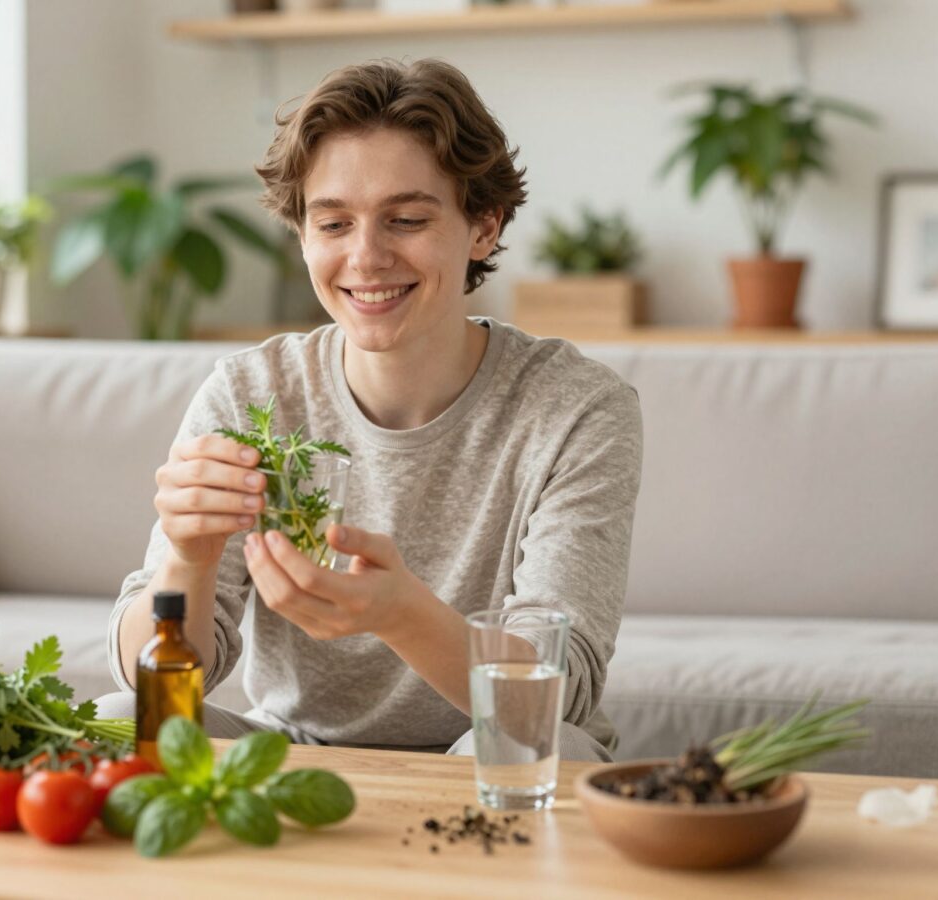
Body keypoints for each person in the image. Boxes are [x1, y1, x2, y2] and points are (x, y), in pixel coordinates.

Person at [96, 58, 642, 761]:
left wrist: (399, 614)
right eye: (333, 224)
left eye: (407, 219)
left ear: (482, 227)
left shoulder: (574, 408)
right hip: (294, 749)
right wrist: (188, 562)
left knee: (537, 749)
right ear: (302, 236)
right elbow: (152, 680)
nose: (367, 256)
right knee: (120, 721)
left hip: (491, 749)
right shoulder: (251, 392)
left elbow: (555, 693)